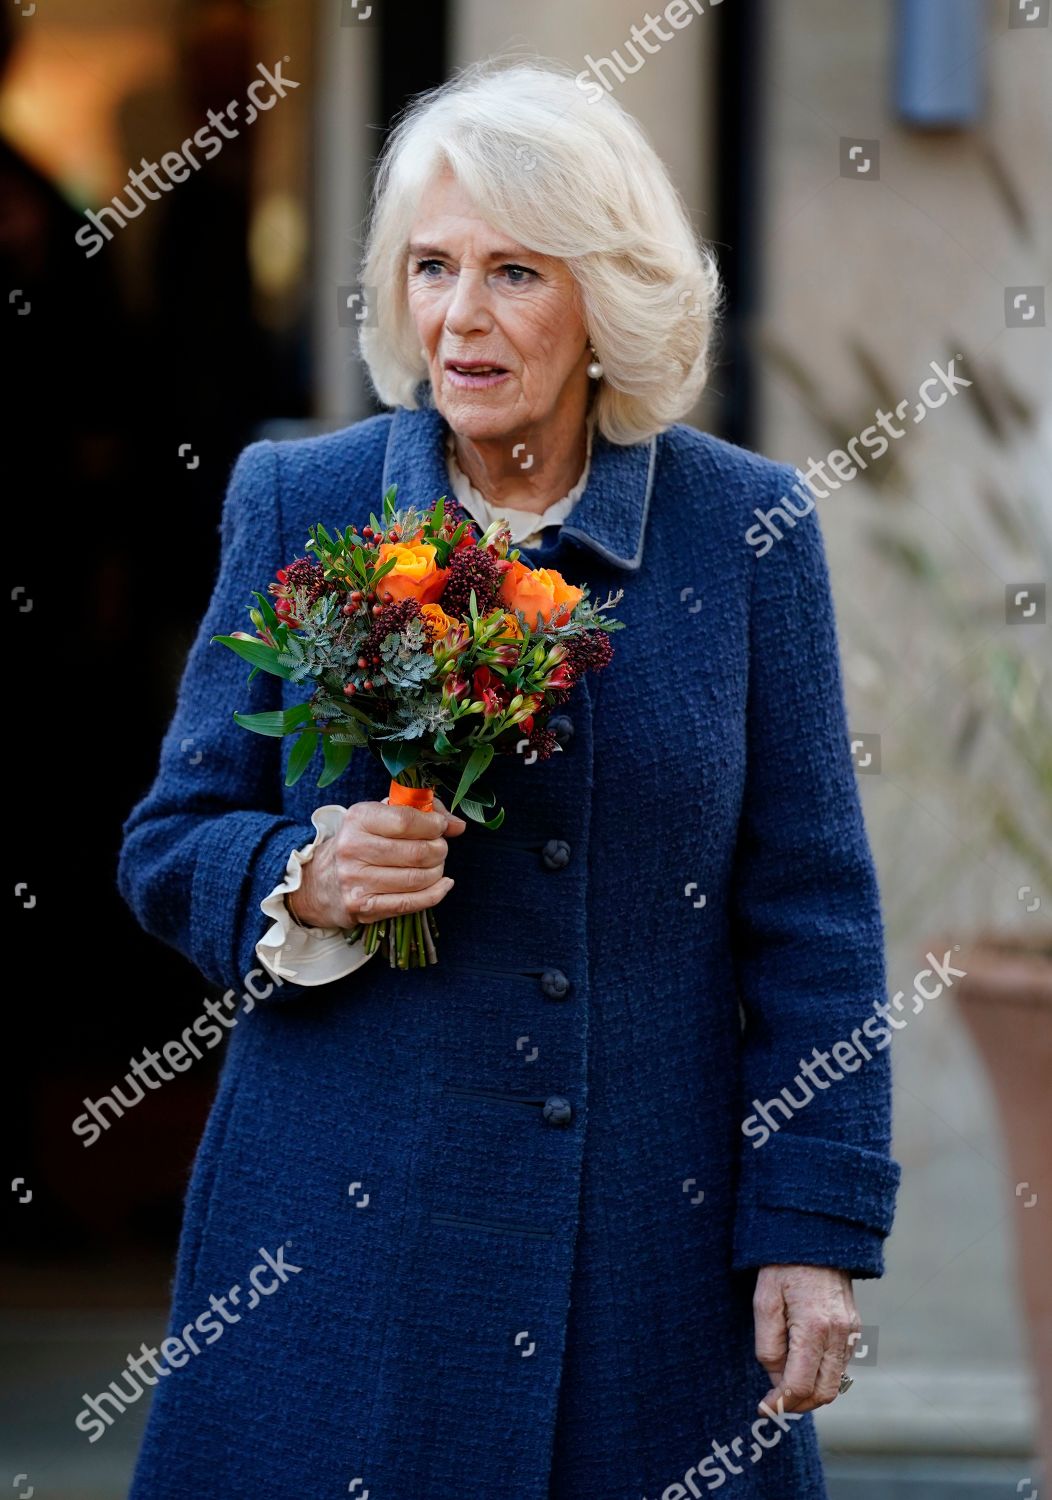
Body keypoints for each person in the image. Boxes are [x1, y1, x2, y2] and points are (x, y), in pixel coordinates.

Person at [117, 55, 900, 1500]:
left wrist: (816, 1229)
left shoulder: (745, 530)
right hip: (343, 1250)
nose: (461, 318)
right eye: (431, 267)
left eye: (516, 273)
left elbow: (815, 917)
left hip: (648, 1274)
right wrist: (301, 876)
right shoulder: (300, 499)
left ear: (608, 298)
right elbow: (171, 838)